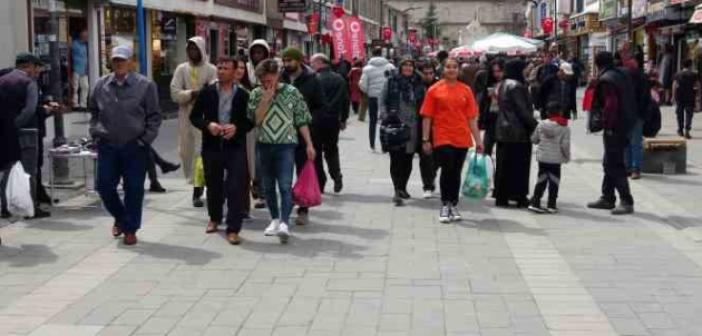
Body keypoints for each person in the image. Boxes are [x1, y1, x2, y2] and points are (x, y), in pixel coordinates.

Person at [89, 45, 162, 245]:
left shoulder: (145, 85)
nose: (119, 64)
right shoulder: (100, 85)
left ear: (131, 62)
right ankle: (121, 217)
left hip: (134, 146)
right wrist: (95, 132)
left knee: (134, 188)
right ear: (111, 63)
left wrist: (144, 140)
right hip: (107, 144)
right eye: (115, 60)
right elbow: (94, 111)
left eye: (123, 60)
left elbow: (154, 117)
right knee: (104, 185)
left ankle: (130, 229)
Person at [248, 59, 316, 244]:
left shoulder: (292, 92)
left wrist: (309, 144)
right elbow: (255, 121)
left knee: (285, 185)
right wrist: (265, 100)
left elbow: (302, 120)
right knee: (268, 186)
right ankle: (274, 219)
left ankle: (285, 223)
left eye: (270, 79)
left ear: (277, 76)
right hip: (264, 144)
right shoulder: (255, 94)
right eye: (263, 80)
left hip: (286, 145)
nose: (267, 84)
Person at [190, 57, 253, 245]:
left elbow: (250, 121)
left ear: (235, 72)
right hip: (212, 146)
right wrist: (208, 125)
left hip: (234, 147)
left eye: (226, 68)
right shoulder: (207, 92)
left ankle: (233, 228)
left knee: (235, 187)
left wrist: (237, 128)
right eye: (219, 67)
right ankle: (215, 218)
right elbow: (194, 117)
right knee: (214, 184)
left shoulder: (243, 95)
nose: (221, 71)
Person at [420, 57, 483, 223]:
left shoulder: (466, 90)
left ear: (458, 70)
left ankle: (454, 204)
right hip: (442, 135)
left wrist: (478, 141)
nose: (451, 70)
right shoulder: (434, 90)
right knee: (447, 169)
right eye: (448, 67)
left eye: (454, 67)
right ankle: (445, 204)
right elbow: (427, 116)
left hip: (461, 137)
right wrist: (425, 139)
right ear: (443, 70)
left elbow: (471, 118)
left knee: (456, 171)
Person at [0, 53, 53, 219]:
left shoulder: (3, 80)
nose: (35, 70)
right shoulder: (29, 82)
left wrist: (8, 126)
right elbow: (30, 109)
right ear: (28, 66)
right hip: (28, 131)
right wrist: (17, 124)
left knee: (9, 169)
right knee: (29, 170)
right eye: (34, 66)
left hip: (6, 133)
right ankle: (30, 207)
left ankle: (5, 207)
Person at [587, 51, 636, 215]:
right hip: (627, 122)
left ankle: (626, 200)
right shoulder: (622, 73)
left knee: (614, 163)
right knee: (610, 161)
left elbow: (611, 105)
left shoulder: (607, 79)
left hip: (615, 126)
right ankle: (607, 197)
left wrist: (607, 125)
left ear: (596, 63)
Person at [170, 36, 217, 208]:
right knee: (187, 153)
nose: (193, 52)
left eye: (196, 49)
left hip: (205, 118)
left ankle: (198, 191)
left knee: (201, 154)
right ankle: (196, 185)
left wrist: (203, 95)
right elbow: (175, 93)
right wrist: (193, 93)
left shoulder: (211, 70)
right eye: (190, 49)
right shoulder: (181, 69)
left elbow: (215, 91)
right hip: (186, 118)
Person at [280, 47, 324, 226]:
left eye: (290, 60)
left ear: (299, 61)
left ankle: (303, 209)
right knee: (283, 173)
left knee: (302, 171)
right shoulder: (280, 77)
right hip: (282, 133)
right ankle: (285, 206)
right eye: (285, 60)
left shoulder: (312, 79)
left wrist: (309, 124)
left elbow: (321, 105)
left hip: (304, 133)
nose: (287, 64)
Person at [493, 59, 538, 208]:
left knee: (504, 165)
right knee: (519, 166)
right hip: (517, 132)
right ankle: (519, 196)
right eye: (525, 68)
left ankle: (502, 196)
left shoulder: (503, 84)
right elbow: (522, 111)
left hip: (503, 130)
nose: (527, 71)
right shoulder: (517, 86)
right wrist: (535, 126)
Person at [381, 58, 426, 206]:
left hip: (413, 125)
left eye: (410, 65)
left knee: (407, 159)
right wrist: (385, 115)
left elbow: (424, 103)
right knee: (396, 159)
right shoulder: (391, 81)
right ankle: (396, 190)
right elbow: (383, 100)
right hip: (395, 124)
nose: (408, 67)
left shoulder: (419, 83)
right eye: (405, 65)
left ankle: (403, 187)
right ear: (400, 67)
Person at [310, 53, 349, 194]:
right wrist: (344, 119)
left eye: (313, 63)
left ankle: (321, 181)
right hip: (333, 120)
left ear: (321, 62)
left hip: (315, 121)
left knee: (316, 152)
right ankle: (336, 176)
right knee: (332, 150)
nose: (311, 66)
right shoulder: (340, 79)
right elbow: (345, 101)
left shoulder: (314, 79)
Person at [528, 102, 571, 214]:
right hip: (556, 160)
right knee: (554, 182)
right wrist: (567, 157)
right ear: (560, 113)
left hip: (542, 158)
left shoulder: (541, 124)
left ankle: (535, 202)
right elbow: (565, 145)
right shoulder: (564, 128)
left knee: (541, 179)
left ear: (547, 112)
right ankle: (551, 205)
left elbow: (534, 139)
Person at [245, 39, 272, 210]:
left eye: (260, 52)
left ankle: (262, 190)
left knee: (262, 158)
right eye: (254, 52)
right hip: (248, 119)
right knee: (250, 156)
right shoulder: (246, 69)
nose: (257, 56)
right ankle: (254, 185)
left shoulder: (271, 70)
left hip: (267, 119)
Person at [360, 48, 396, 151]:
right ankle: (386, 143)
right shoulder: (390, 67)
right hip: (387, 98)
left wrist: (369, 91)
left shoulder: (367, 68)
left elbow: (363, 85)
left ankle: (372, 144)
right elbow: (395, 81)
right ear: (382, 54)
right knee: (387, 120)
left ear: (372, 54)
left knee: (372, 121)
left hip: (373, 97)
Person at [418, 64, 439, 198]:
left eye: (430, 73)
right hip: (421, 126)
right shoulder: (417, 86)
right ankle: (428, 185)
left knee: (436, 158)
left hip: (438, 126)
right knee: (425, 157)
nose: (428, 75)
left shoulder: (439, 86)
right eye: (425, 73)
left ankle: (431, 177)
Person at [673, 59, 698, 139]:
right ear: (690, 65)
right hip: (690, 96)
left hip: (679, 96)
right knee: (689, 114)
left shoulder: (678, 74)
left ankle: (680, 130)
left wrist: (673, 96)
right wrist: (698, 96)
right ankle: (687, 130)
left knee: (679, 114)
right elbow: (698, 85)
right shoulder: (694, 74)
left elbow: (674, 85)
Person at [71, 29, 89, 110]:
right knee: (75, 88)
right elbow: (69, 54)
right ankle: (75, 104)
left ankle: (83, 105)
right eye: (86, 36)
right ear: (82, 36)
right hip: (76, 68)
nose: (87, 38)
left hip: (84, 69)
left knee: (85, 87)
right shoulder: (74, 44)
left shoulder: (85, 45)